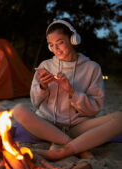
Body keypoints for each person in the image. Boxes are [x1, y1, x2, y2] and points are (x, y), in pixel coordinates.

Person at [12, 19, 122, 161]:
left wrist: (71, 91)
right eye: (52, 45)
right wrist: (42, 87)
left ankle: (62, 149)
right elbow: (35, 103)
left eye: (60, 42)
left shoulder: (92, 68)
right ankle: (74, 146)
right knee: (18, 109)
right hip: (46, 125)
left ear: (73, 40)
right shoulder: (45, 65)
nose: (56, 49)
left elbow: (95, 108)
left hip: (78, 127)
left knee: (120, 118)